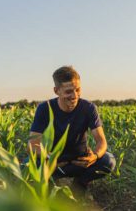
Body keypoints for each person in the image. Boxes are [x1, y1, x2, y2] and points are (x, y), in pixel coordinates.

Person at [27, 65, 116, 199]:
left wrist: (95, 156)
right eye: (68, 91)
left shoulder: (88, 108)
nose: (74, 95)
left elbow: (101, 141)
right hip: (53, 163)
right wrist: (50, 158)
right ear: (57, 91)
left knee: (108, 160)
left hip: (80, 162)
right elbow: (33, 145)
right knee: (27, 165)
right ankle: (51, 187)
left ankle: (80, 184)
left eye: (78, 90)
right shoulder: (44, 108)